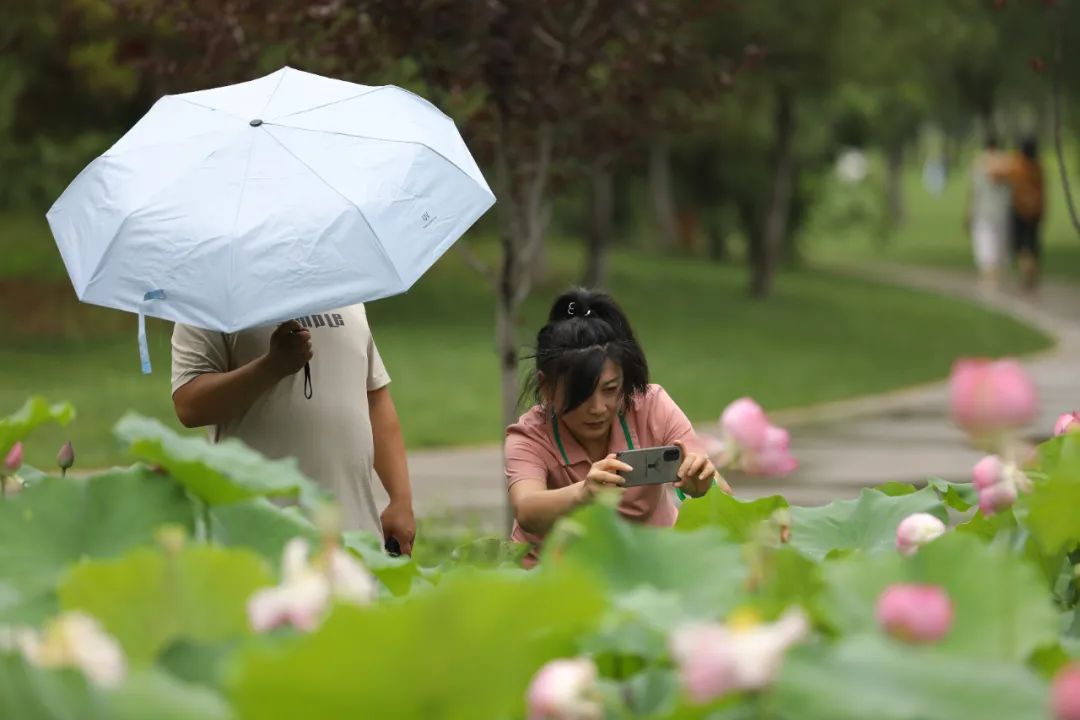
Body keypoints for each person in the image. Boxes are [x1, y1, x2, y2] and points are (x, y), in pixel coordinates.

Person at [504, 289, 730, 567]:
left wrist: (702, 486)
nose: (598, 408)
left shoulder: (651, 404)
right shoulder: (529, 435)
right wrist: (583, 493)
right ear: (547, 387)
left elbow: (721, 490)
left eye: (610, 389)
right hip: (556, 579)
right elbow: (526, 509)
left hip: (652, 570)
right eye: (582, 394)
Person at [171, 305, 417, 554]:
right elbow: (189, 406)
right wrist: (271, 367)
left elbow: (375, 398)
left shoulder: (345, 289)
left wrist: (401, 499)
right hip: (258, 540)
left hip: (354, 536)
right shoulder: (211, 297)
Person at [996, 136, 1046, 291]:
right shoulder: (1037, 167)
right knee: (1031, 245)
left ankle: (1027, 276)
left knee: (1022, 247)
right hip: (1035, 210)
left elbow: (998, 175)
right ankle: (1031, 276)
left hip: (1019, 211)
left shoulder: (1017, 165)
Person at [965, 133, 1011, 290]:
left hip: (983, 212)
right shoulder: (1006, 162)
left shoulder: (979, 163)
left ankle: (991, 288)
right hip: (1003, 211)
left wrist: (968, 213)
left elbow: (974, 192)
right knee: (1000, 251)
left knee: (987, 255)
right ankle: (999, 286)